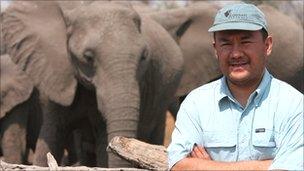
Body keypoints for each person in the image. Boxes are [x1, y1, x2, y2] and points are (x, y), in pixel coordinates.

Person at [167, 3, 303, 170]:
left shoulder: (294, 104)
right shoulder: (196, 103)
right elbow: (178, 165)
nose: (236, 53)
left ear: (267, 46)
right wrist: (268, 165)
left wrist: (208, 166)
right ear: (216, 50)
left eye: (245, 42)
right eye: (226, 44)